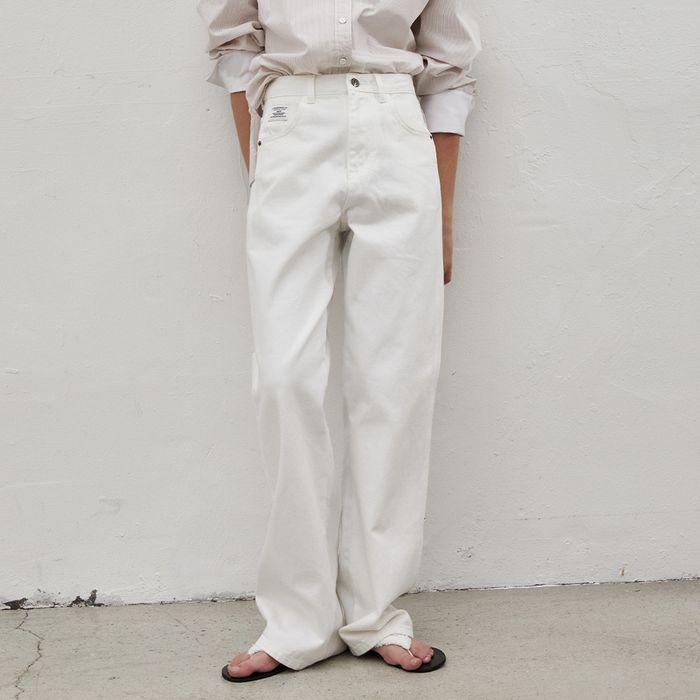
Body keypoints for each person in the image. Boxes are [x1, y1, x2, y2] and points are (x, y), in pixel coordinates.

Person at [197, 0, 481, 683]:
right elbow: (233, 46)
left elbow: (449, 68)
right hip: (291, 123)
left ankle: (376, 612)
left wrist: (443, 212)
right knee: (284, 379)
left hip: (397, 127)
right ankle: (297, 619)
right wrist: (260, 171)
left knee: (394, 382)